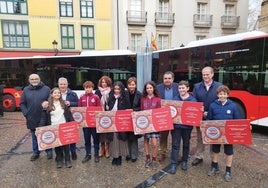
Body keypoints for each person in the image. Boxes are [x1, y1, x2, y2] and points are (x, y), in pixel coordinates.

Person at [207, 85, 241, 181]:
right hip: (216, 134)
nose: (222, 96)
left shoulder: (233, 106)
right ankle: (214, 167)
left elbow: (238, 120)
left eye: (224, 94)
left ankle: (228, 171)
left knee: (229, 152)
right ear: (217, 95)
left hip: (228, 134)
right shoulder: (212, 105)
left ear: (227, 95)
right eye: (220, 94)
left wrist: (246, 127)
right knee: (215, 150)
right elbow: (209, 119)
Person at [191, 66, 222, 166]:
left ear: (212, 74)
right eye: (204, 74)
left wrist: (210, 112)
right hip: (201, 117)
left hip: (214, 117)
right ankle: (199, 156)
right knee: (200, 138)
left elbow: (221, 101)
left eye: (207, 74)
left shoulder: (219, 86)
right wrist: (202, 111)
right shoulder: (197, 86)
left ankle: (214, 159)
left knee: (213, 137)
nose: (205, 76)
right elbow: (194, 101)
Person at [20, 74, 53, 161]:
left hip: (45, 116)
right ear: (29, 80)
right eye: (32, 79)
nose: (34, 80)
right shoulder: (26, 90)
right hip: (32, 117)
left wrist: (48, 104)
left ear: (39, 79)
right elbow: (22, 103)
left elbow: (51, 100)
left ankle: (49, 151)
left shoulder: (46, 89)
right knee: (34, 135)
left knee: (47, 134)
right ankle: (36, 152)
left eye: (36, 79)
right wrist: (26, 113)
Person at [39, 87, 74, 168]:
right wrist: (40, 128)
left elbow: (69, 116)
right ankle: (59, 160)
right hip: (53, 127)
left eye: (58, 93)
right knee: (57, 145)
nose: (57, 94)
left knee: (66, 145)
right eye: (55, 93)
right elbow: (43, 118)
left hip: (64, 127)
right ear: (51, 94)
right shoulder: (47, 105)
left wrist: (73, 124)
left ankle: (68, 160)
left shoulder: (64, 104)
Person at [167, 81, 196, 174]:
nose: (181, 90)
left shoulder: (193, 100)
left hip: (187, 127)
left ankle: (184, 161)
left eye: (183, 88)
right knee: (175, 144)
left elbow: (195, 113)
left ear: (187, 88)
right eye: (180, 88)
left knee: (186, 144)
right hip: (176, 127)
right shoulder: (175, 99)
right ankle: (173, 163)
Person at [107, 81, 131, 166]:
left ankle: (120, 156)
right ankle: (114, 156)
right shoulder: (110, 97)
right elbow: (108, 108)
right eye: (115, 89)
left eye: (118, 89)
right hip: (112, 121)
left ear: (121, 89)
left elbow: (128, 109)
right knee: (113, 139)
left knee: (121, 138)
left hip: (121, 121)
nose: (116, 90)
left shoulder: (125, 97)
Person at [157, 71, 179, 161]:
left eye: (169, 78)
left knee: (176, 136)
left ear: (173, 79)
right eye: (165, 78)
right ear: (163, 79)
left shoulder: (178, 87)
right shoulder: (158, 88)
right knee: (163, 136)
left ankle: (176, 153)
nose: (167, 80)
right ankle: (162, 152)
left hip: (176, 116)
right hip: (163, 117)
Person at [79, 81, 101, 164]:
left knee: (96, 139)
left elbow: (99, 110)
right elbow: (79, 109)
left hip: (94, 123)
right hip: (85, 124)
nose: (88, 89)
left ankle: (96, 154)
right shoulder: (82, 97)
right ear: (84, 88)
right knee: (87, 139)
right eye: (86, 87)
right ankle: (88, 154)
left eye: (89, 87)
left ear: (92, 88)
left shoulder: (96, 97)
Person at [141, 81, 161, 170]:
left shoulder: (158, 99)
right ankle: (147, 158)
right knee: (146, 141)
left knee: (154, 143)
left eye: (150, 88)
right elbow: (141, 111)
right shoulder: (143, 99)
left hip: (154, 124)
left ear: (153, 89)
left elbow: (160, 112)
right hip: (145, 124)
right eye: (147, 88)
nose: (149, 89)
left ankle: (154, 159)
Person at [58, 77, 79, 160]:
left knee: (72, 136)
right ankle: (62, 153)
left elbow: (78, 104)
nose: (62, 86)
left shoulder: (73, 94)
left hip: (70, 118)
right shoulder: (55, 93)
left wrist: (70, 103)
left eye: (64, 84)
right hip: (59, 118)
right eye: (61, 84)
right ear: (58, 85)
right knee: (61, 136)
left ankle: (73, 152)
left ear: (67, 84)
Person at [95, 76, 113, 158]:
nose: (104, 84)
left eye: (105, 82)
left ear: (108, 83)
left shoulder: (111, 91)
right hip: (100, 114)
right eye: (102, 82)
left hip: (109, 114)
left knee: (108, 131)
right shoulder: (97, 92)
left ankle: (107, 147)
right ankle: (102, 148)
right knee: (101, 131)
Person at [126, 77, 142, 162]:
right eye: (130, 84)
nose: (131, 86)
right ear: (127, 85)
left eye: (133, 84)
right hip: (126, 118)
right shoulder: (124, 93)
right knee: (127, 136)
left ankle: (134, 155)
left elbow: (141, 107)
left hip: (135, 118)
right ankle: (128, 153)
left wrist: (134, 110)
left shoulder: (139, 94)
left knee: (134, 137)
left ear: (135, 85)